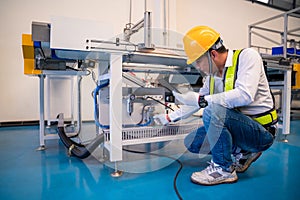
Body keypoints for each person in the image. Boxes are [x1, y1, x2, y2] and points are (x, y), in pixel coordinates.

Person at [154, 25, 278, 185]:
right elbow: (196, 102)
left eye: (198, 61)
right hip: (241, 128)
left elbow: (245, 95)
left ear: (212, 54)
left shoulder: (248, 57)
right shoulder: (211, 78)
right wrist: (169, 117)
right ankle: (244, 151)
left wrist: (202, 100)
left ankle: (223, 169)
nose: (197, 67)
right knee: (192, 142)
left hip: (262, 133)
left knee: (212, 110)